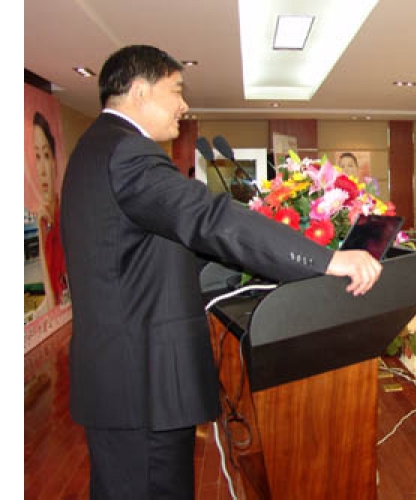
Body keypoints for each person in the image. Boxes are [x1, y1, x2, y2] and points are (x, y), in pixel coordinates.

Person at [59, 45, 383, 499]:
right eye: (177, 91)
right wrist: (325, 259)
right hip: (141, 385)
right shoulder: (127, 151)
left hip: (125, 378)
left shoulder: (95, 147)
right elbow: (207, 218)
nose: (184, 105)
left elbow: (142, 251)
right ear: (139, 90)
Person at [32, 112, 69, 311]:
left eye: (46, 155)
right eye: (37, 157)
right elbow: (51, 298)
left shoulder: (65, 215)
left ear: (55, 161)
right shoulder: (44, 221)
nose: (42, 170)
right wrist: (40, 234)